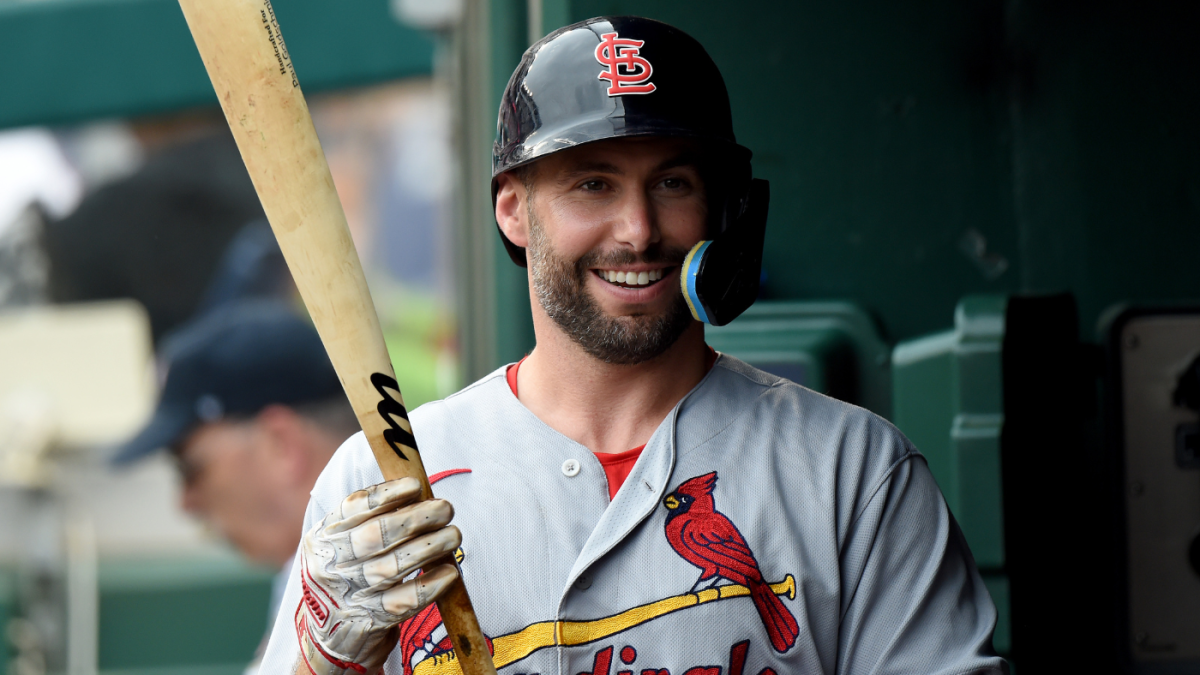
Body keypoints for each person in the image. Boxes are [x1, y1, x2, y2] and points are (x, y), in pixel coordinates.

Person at [263, 16, 1006, 675]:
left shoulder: (854, 469)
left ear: (725, 208)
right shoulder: (387, 477)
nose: (639, 229)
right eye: (592, 184)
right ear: (515, 210)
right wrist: (319, 662)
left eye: (673, 182)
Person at [113, 300, 359, 672]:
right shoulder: (307, 575)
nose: (186, 503)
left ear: (281, 445)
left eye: (189, 469)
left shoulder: (390, 579)